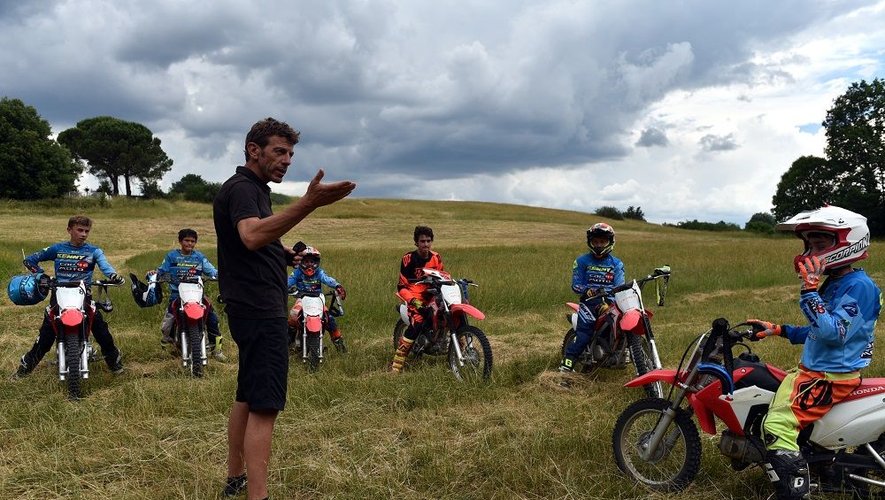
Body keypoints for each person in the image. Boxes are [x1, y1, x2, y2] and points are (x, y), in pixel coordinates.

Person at [213, 117, 355, 499]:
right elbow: (251, 235)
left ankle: (235, 478)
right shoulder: (244, 189)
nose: (287, 160)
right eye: (279, 151)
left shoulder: (251, 189)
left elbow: (255, 238)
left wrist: (283, 253)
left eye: (291, 154)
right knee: (265, 406)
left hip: (248, 306)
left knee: (247, 395)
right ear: (253, 150)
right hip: (260, 309)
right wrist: (308, 203)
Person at [748, 205, 880, 500]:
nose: (809, 254)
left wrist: (809, 292)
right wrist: (779, 330)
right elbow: (818, 331)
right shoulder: (837, 282)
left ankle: (795, 492)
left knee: (777, 424)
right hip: (817, 371)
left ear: (848, 243)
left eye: (818, 246)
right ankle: (821, 466)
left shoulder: (860, 287)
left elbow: (833, 333)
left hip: (830, 376)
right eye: (808, 246)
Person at [15, 215, 125, 377]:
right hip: (59, 294)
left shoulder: (94, 251)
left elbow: (105, 266)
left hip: (84, 295)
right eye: (80, 230)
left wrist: (113, 276)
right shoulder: (57, 249)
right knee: (45, 337)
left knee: (102, 332)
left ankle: (115, 363)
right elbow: (30, 260)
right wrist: (41, 276)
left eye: (86, 231)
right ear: (69, 230)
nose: (84, 234)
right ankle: (24, 370)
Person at [559, 222, 625, 377]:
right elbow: (576, 285)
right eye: (595, 241)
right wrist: (586, 290)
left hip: (612, 302)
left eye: (602, 241)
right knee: (584, 334)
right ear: (590, 242)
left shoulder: (617, 264)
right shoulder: (581, 261)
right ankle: (565, 367)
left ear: (610, 242)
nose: (599, 245)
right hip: (589, 303)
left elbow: (620, 286)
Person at [153, 228, 226, 361]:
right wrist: (154, 274)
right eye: (187, 240)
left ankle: (216, 349)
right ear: (180, 241)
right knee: (168, 323)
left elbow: (211, 271)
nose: (190, 243)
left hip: (197, 294)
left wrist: (220, 275)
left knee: (212, 318)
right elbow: (161, 270)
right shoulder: (171, 256)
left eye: (193, 241)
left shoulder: (199, 257)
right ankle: (168, 344)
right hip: (177, 294)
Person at [390, 225, 444, 373]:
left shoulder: (436, 257)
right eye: (422, 241)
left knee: (448, 314)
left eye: (428, 241)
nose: (426, 244)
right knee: (417, 323)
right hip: (414, 296)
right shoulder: (408, 259)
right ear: (416, 242)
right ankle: (396, 365)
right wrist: (413, 301)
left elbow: (442, 276)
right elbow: (401, 286)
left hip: (432, 293)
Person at [286, 245, 348, 353]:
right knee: (294, 314)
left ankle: (340, 346)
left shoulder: (319, 272)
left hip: (317, 299)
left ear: (316, 262)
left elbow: (327, 279)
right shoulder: (298, 272)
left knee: (329, 319)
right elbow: (289, 281)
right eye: (306, 261)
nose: (309, 264)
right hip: (302, 298)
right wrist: (282, 287)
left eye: (311, 261)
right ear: (301, 262)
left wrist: (337, 286)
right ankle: (289, 343)